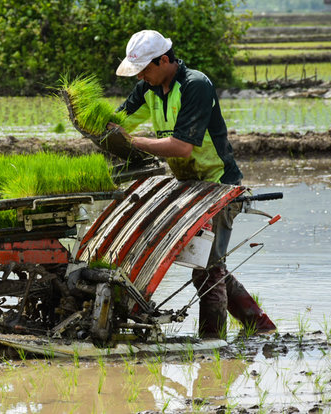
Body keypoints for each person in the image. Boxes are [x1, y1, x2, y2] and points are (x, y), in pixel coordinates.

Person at [107, 29, 276, 338]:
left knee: (208, 269)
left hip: (219, 186)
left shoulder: (195, 85)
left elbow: (183, 146)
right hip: (189, 186)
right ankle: (260, 326)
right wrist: (92, 124)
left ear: (164, 60)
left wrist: (134, 142)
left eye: (145, 69)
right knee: (208, 264)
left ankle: (212, 342)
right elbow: (117, 125)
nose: (141, 77)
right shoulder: (148, 88)